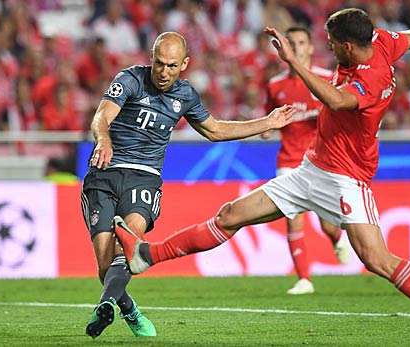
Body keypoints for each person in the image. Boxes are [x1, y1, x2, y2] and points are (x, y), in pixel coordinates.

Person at [114, 9, 410, 347]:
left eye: (334, 44)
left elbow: (338, 101)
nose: (330, 48)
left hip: (346, 178)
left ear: (350, 47)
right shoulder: (383, 41)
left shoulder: (372, 80)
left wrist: (295, 63)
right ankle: (147, 255)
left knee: (377, 259)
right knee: (230, 215)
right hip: (311, 169)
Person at [81, 31, 295, 339]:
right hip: (104, 172)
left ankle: (106, 306)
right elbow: (102, 116)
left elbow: (216, 130)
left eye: (171, 65)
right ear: (150, 59)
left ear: (184, 64)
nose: (163, 72)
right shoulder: (129, 79)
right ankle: (128, 309)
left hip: (144, 177)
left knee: (129, 249)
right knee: (105, 266)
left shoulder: (185, 96)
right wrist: (104, 138)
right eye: (158, 64)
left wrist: (268, 122)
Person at [263, 26, 351, 295]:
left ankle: (337, 237)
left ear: (311, 48)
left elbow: (345, 114)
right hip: (289, 159)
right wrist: (266, 128)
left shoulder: (328, 79)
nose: (297, 47)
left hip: (321, 161)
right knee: (292, 217)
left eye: (301, 42)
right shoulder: (275, 85)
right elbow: (269, 119)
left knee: (327, 223)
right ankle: (304, 279)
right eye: (291, 42)